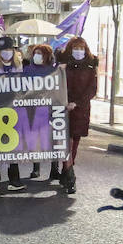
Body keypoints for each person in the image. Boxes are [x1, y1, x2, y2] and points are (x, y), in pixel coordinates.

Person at [60, 36, 98, 195]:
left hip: (80, 110)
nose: (78, 51)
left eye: (81, 48)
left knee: (74, 142)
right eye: (76, 48)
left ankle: (67, 169)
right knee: (65, 142)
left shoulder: (90, 67)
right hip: (63, 109)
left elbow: (92, 90)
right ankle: (70, 177)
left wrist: (76, 103)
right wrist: (65, 102)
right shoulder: (64, 66)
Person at [0, 37, 25, 192]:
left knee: (13, 144)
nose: (7, 53)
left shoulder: (21, 66)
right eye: (3, 50)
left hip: (13, 110)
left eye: (10, 50)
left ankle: (14, 179)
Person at [25, 43, 61, 181]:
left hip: (50, 109)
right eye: (35, 53)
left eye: (40, 53)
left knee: (53, 140)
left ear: (46, 56)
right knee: (36, 139)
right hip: (33, 108)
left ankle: (54, 168)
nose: (37, 56)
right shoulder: (27, 70)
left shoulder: (53, 71)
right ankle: (36, 168)